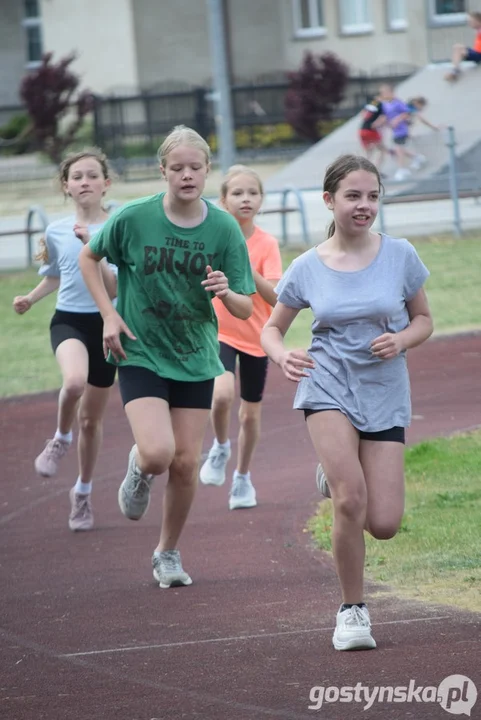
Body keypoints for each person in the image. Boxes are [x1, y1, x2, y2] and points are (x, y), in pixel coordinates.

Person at [261, 154, 433, 651]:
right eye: (353, 196)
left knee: (383, 523)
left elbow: (423, 320)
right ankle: (353, 610)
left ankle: (333, 474)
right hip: (328, 383)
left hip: (383, 389)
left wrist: (401, 340)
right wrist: (281, 356)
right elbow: (272, 328)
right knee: (350, 500)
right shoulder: (307, 267)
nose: (364, 206)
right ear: (329, 200)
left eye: (373, 196)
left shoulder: (400, 255)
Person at [78, 125, 255, 589]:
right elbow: (89, 258)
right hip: (139, 349)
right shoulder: (135, 218)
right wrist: (109, 316)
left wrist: (225, 291)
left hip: (195, 354)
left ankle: (167, 552)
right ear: (163, 172)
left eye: (195, 167)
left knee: (184, 463)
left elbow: (245, 303)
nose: (187, 175)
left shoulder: (223, 228)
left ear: (207, 171)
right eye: (177, 168)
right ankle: (139, 468)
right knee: (159, 454)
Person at [12, 148, 118, 532]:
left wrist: (97, 246)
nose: (85, 182)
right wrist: (30, 298)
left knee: (91, 420)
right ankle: (59, 438)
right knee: (73, 382)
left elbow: (115, 285)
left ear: (106, 184)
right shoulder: (56, 230)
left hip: (108, 325)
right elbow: (56, 275)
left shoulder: (119, 223)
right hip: (69, 321)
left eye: (93, 175)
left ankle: (83, 493)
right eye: (77, 177)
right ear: (66, 186)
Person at [199, 165, 282, 509]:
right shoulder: (214, 238)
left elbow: (277, 297)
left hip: (256, 338)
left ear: (261, 200)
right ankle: (220, 446)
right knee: (221, 395)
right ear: (223, 200)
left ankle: (243, 478)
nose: (245, 199)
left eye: (252, 193)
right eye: (237, 193)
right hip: (219, 332)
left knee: (249, 415)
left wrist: (246, 268)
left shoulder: (267, 244)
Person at [378, 84, 428, 182]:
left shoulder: (398, 103)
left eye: (385, 92)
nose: (383, 94)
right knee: (397, 150)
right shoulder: (385, 105)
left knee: (398, 148)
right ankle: (417, 157)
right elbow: (385, 117)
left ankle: (402, 169)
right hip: (394, 131)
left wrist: (397, 119)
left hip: (402, 130)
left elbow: (407, 113)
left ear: (391, 92)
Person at [445, 11, 481, 82]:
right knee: (458, 47)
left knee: (458, 48)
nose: (469, 24)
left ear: (478, 21)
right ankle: (455, 69)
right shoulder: (478, 31)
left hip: (479, 55)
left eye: (471, 21)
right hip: (476, 53)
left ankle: (455, 70)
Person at [357, 94, 388, 174]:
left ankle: (364, 170)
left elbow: (363, 115)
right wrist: (376, 124)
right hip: (371, 131)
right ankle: (377, 170)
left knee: (368, 152)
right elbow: (383, 118)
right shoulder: (381, 105)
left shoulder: (369, 104)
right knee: (382, 150)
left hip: (362, 130)